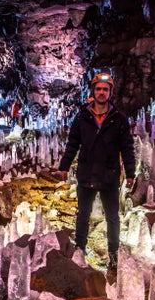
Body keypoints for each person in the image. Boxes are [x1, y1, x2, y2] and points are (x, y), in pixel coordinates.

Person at [57, 72, 135, 272]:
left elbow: (127, 148)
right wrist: (64, 166)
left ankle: (113, 253)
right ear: (93, 91)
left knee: (112, 217)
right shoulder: (83, 117)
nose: (101, 93)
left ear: (110, 92)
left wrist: (131, 173)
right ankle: (80, 249)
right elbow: (73, 143)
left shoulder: (119, 119)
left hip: (109, 176)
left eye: (105, 89)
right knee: (83, 214)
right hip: (87, 174)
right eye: (98, 89)